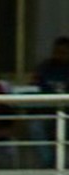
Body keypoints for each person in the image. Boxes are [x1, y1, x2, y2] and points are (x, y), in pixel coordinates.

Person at [33, 36, 69, 166]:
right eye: (57, 52)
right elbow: (35, 86)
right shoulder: (45, 67)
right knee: (36, 127)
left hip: (68, 113)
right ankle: (48, 164)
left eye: (64, 53)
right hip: (48, 111)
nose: (60, 55)